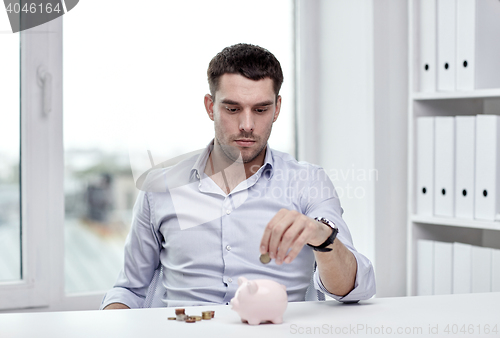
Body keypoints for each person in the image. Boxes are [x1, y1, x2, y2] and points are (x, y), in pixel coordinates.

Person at [101, 43, 375, 310]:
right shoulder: (160, 188)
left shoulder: (308, 182)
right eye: (232, 109)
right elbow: (129, 289)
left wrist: (322, 236)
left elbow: (353, 289)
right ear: (210, 107)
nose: (246, 125)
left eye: (260, 109)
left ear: (277, 108)